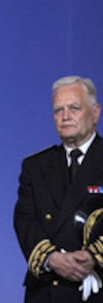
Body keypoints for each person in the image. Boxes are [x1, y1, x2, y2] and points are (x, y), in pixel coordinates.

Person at [14, 75, 103, 302]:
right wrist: (51, 258)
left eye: (74, 108)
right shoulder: (35, 166)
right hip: (47, 288)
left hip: (95, 285)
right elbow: (25, 220)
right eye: (58, 110)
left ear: (95, 113)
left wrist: (92, 257)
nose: (65, 117)